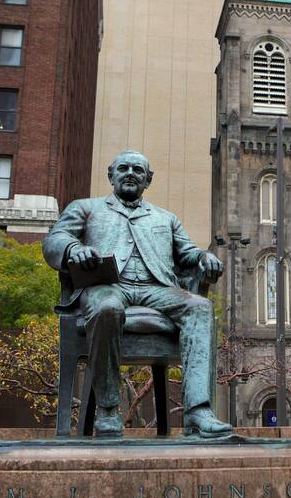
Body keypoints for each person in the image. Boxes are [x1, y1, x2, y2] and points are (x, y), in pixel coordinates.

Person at [43, 150, 231, 438]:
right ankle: (107, 410)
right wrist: (73, 249)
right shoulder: (86, 208)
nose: (130, 173)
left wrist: (204, 257)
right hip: (107, 286)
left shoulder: (166, 218)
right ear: (111, 175)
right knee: (107, 308)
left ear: (148, 180)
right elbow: (55, 239)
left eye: (138, 170)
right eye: (124, 168)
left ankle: (198, 413)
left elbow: (188, 253)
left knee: (200, 307)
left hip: (157, 290)